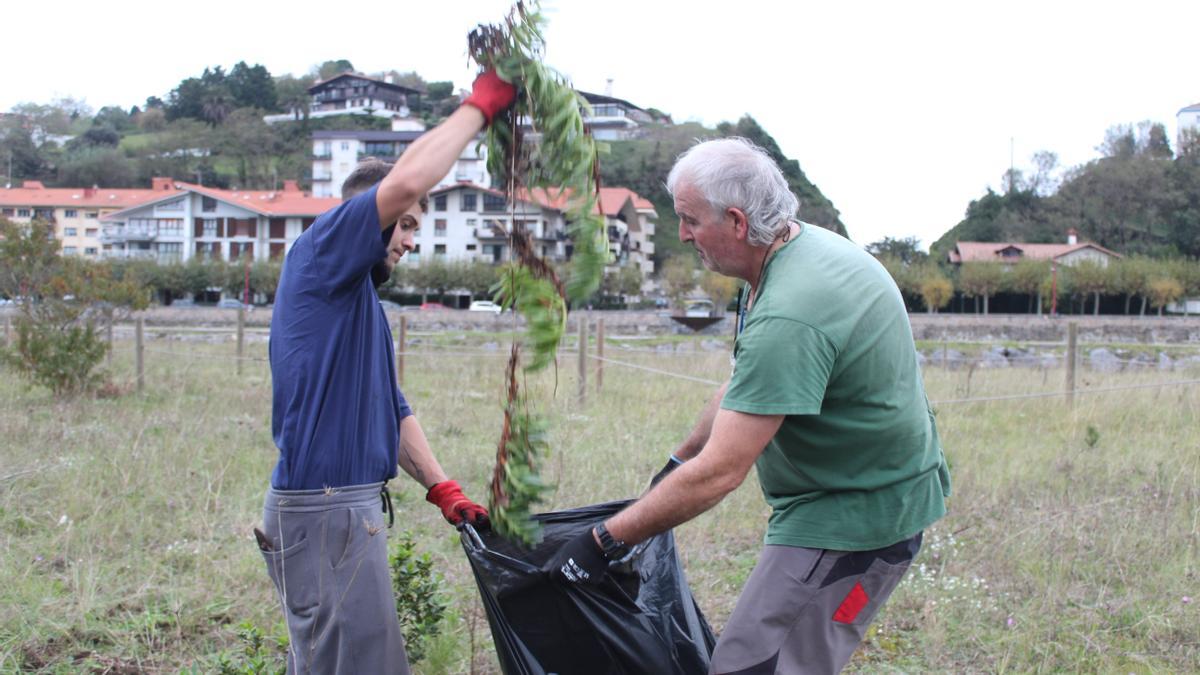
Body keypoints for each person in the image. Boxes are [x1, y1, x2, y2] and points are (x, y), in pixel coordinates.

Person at [546, 138, 951, 674]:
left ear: (736, 221)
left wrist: (601, 542)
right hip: (855, 499)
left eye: (689, 220)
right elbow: (745, 385)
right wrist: (679, 459)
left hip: (859, 522)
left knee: (754, 666)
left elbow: (721, 473)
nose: (684, 234)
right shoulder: (784, 257)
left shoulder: (791, 310)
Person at [255, 70, 516, 674]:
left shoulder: (357, 300)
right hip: (326, 509)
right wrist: (479, 107)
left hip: (340, 508)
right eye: (406, 225)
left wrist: (442, 487)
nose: (409, 241)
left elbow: (390, 407)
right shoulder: (322, 252)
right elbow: (406, 182)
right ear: (368, 217)